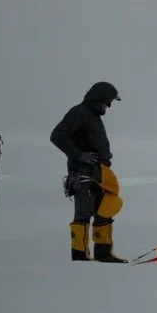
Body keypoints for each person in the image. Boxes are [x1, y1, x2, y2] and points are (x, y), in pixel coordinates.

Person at [49, 81, 125, 262]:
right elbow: (57, 135)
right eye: (108, 101)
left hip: (100, 174)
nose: (109, 106)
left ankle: (104, 254)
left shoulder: (93, 116)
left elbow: (90, 140)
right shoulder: (78, 112)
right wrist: (79, 155)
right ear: (100, 98)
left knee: (104, 210)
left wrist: (104, 154)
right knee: (83, 214)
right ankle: (80, 257)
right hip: (83, 174)